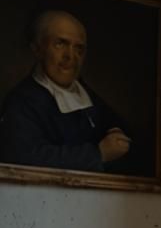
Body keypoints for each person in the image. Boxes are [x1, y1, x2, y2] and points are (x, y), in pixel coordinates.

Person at [0, 9, 131, 172]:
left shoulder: (81, 90)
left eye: (79, 49)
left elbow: (113, 122)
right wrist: (98, 154)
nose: (70, 56)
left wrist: (116, 131)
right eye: (60, 44)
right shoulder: (21, 101)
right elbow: (25, 158)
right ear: (38, 49)